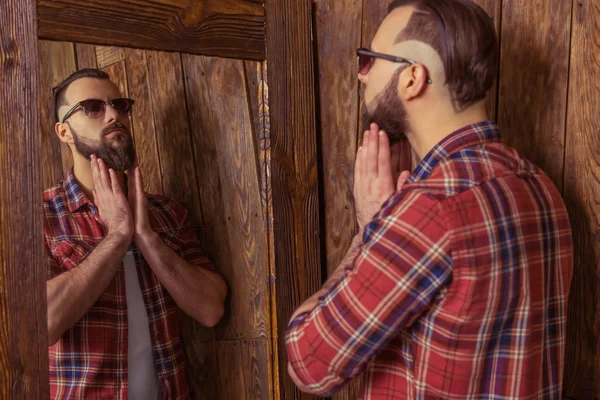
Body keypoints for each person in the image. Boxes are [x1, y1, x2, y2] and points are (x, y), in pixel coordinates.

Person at [285, 0, 573, 398]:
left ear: (412, 78)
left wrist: (367, 233)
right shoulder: (542, 188)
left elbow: (308, 363)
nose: (360, 75)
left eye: (369, 60)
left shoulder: (429, 210)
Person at [44, 68, 227, 399]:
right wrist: (117, 236)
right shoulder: (40, 218)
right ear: (64, 131)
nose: (113, 114)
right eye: (92, 107)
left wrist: (146, 237)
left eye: (119, 104)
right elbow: (42, 322)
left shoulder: (165, 213)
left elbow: (211, 309)